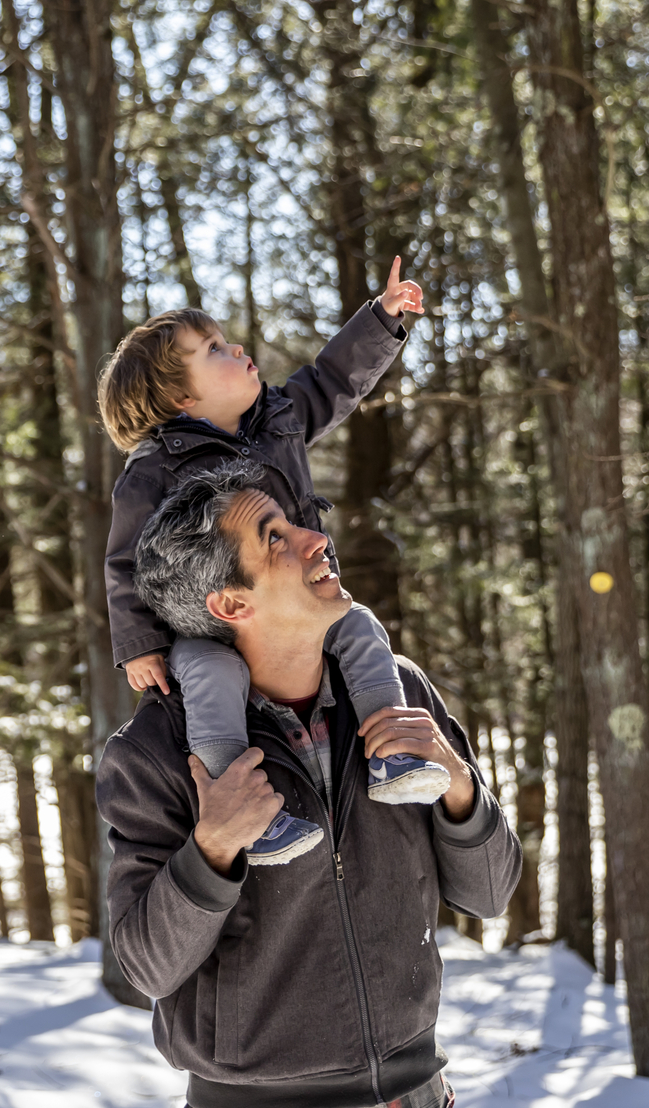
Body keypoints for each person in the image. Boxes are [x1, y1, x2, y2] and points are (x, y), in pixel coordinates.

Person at [99, 458, 522, 1108]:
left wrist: (459, 783)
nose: (316, 539)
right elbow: (145, 966)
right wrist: (214, 847)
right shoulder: (156, 752)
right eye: (275, 538)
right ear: (230, 603)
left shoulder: (398, 693)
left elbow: (489, 894)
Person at [99, 259, 448, 874]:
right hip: (206, 626)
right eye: (213, 349)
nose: (236, 348)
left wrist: (381, 318)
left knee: (361, 628)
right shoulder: (153, 470)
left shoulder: (277, 421)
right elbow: (124, 561)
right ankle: (249, 813)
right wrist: (140, 645)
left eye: (224, 339)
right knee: (212, 675)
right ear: (182, 398)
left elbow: (333, 378)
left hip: (299, 603)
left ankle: (392, 753)